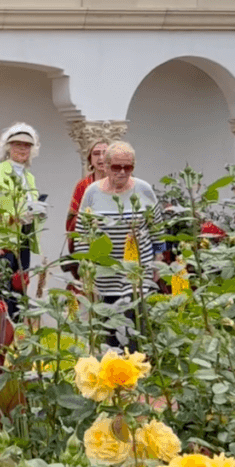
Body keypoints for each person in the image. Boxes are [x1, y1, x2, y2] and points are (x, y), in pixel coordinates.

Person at [73, 142, 163, 343]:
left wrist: (158, 261)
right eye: (116, 167)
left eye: (128, 167)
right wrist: (85, 269)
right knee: (109, 335)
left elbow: (157, 228)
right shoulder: (92, 192)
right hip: (104, 276)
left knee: (134, 330)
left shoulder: (144, 190)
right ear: (105, 166)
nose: (122, 172)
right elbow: (81, 233)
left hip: (137, 274)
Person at [0, 123, 47, 315]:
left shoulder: (29, 177)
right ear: (8, 147)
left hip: (24, 242)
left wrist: (39, 213)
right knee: (2, 294)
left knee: (20, 293)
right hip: (1, 243)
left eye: (27, 146)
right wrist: (11, 219)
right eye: (17, 144)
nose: (23, 149)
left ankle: (17, 334)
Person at [65, 139, 110, 253]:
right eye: (96, 154)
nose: (101, 158)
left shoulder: (121, 183)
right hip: (88, 241)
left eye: (105, 153)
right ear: (90, 159)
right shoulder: (83, 185)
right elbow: (72, 217)